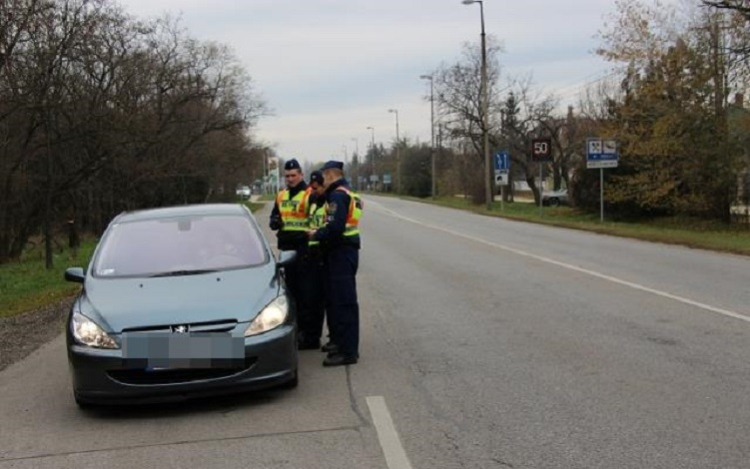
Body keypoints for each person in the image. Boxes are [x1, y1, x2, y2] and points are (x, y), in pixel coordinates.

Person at [307, 160, 362, 366]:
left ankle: (348, 352)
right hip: (342, 252)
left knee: (344, 303)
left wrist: (316, 233)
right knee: (338, 302)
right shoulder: (347, 191)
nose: (323, 179)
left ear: (330, 174)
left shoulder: (338, 195)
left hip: (341, 251)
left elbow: (335, 227)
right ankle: (340, 343)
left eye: (324, 176)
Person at [269, 158, 315, 349]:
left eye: (293, 175)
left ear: (301, 175)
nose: (290, 179)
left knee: (307, 295)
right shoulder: (281, 196)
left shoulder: (309, 194)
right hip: (287, 250)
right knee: (291, 294)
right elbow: (274, 218)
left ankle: (308, 334)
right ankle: (296, 332)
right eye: (287, 176)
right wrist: (276, 222)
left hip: (304, 249)